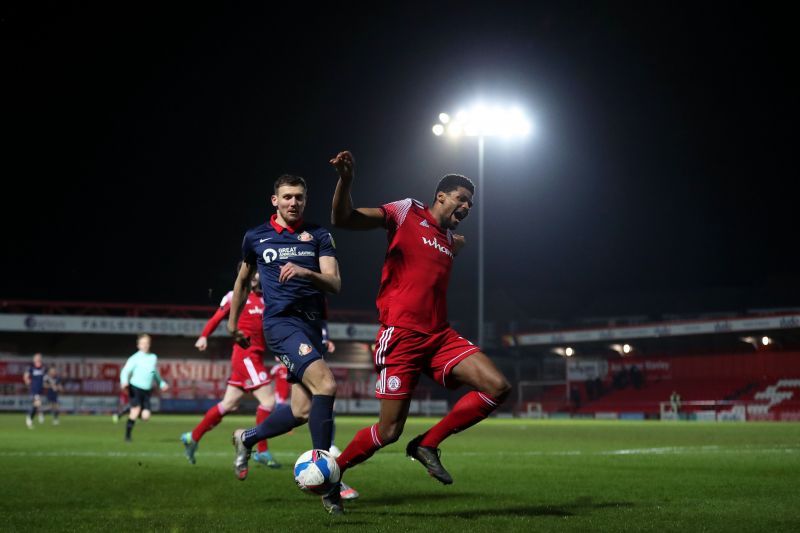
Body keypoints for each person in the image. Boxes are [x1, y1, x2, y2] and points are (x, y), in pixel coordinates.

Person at [326, 150, 511, 513]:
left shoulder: (448, 240)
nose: (467, 207)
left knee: (497, 387)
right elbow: (343, 219)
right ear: (440, 196)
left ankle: (427, 444)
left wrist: (455, 244)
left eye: (470, 204)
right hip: (401, 336)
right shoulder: (406, 210)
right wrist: (346, 180)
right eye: (462, 199)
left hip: (439, 335)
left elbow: (451, 246)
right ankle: (334, 476)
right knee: (389, 431)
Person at [229, 173, 357, 503]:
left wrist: (304, 272)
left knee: (301, 410)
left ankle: (246, 438)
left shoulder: (318, 235)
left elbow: (335, 283)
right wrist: (232, 324)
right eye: (286, 196)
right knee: (326, 385)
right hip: (282, 325)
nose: (293, 202)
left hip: (311, 326)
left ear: (305, 199)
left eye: (298, 196)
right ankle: (330, 482)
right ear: (275, 200)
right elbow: (242, 282)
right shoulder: (256, 237)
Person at [180, 269, 280, 468]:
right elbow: (218, 317)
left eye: (256, 273)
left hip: (255, 356)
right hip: (246, 356)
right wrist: (203, 336)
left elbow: (269, 329)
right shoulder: (235, 295)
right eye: (249, 273)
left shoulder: (265, 298)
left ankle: (192, 436)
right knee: (269, 401)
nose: (253, 277)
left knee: (228, 404)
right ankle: (262, 451)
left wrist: (278, 349)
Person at [119, 334, 169, 441]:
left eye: (147, 343)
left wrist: (161, 383)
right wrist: (124, 382)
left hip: (147, 390)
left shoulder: (153, 357)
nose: (145, 345)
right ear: (138, 345)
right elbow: (125, 371)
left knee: (146, 417)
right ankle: (127, 436)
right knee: (136, 410)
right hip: (135, 387)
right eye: (143, 343)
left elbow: (154, 372)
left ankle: (129, 409)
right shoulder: (135, 358)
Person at [23, 353, 47, 428]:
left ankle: (29, 418)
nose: (38, 359)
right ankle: (41, 414)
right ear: (34, 359)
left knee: (35, 406)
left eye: (39, 358)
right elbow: (25, 376)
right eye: (37, 358)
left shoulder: (43, 368)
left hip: (40, 389)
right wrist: (27, 380)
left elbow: (46, 378)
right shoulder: (31, 368)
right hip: (34, 389)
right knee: (38, 402)